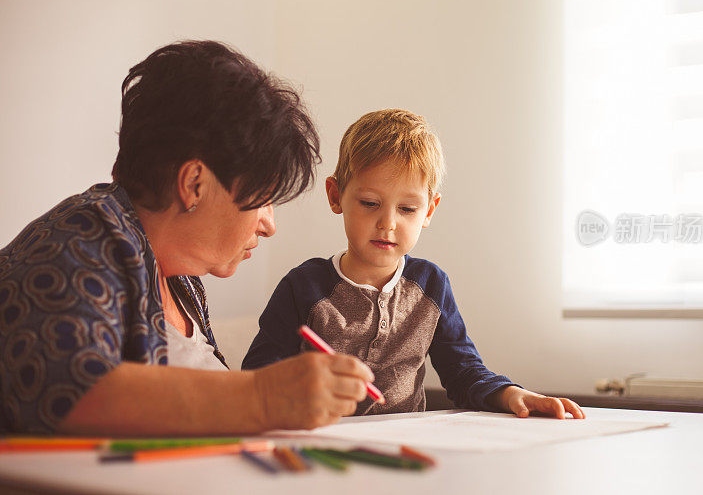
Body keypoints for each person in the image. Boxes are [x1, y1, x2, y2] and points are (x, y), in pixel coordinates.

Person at [0, 40, 375, 435]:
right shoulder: (74, 244)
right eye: (263, 199)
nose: (269, 224)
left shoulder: (181, 279)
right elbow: (67, 392)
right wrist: (264, 396)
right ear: (194, 183)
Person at [241, 109, 585, 419]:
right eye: (369, 203)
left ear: (429, 211)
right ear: (336, 196)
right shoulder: (304, 287)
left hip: (404, 452)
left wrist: (511, 395)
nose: (388, 223)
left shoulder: (431, 284)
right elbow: (257, 379)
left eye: (407, 209)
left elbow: (463, 372)